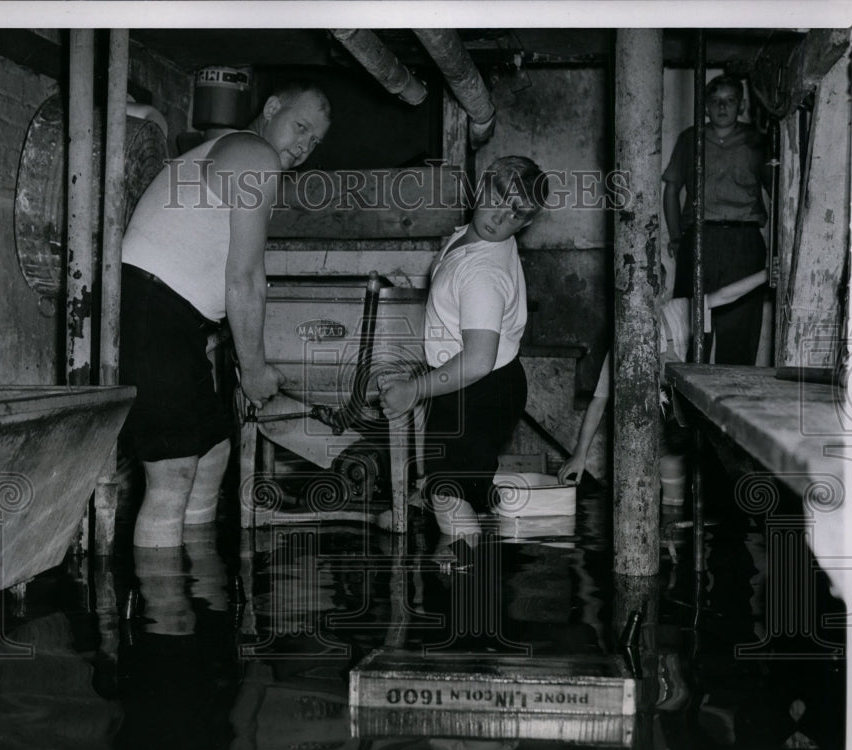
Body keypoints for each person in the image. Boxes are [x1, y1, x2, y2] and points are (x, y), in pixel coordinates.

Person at [119, 82, 332, 548]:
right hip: (151, 311)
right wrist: (252, 371)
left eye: (314, 141)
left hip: (171, 318)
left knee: (213, 450)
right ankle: (164, 613)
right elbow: (245, 279)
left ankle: (199, 592)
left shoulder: (232, 151)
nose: (304, 145)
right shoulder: (256, 155)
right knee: (172, 472)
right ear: (272, 106)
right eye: (301, 127)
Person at [380, 156, 548, 539]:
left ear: (527, 223)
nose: (498, 218)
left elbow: (476, 361)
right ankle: (475, 571)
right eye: (497, 198)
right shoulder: (469, 236)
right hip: (481, 383)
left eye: (515, 214)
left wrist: (412, 390)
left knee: (447, 493)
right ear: (482, 185)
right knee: (458, 486)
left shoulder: (482, 273)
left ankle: (467, 585)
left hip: (478, 386)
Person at [557, 268, 769, 487]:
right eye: (638, 289)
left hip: (679, 417)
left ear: (664, 290)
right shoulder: (623, 338)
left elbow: (724, 295)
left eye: (653, 288)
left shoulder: (678, 311)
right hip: (644, 423)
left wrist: (767, 275)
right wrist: (579, 455)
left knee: (692, 473)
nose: (646, 297)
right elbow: (599, 400)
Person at [663, 74, 770, 365]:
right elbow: (672, 189)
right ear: (706, 107)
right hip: (700, 240)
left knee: (739, 332)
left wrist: (778, 247)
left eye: (730, 100)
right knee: (691, 330)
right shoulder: (690, 138)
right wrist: (675, 236)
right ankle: (684, 408)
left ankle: (728, 406)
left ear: (742, 105)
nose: (723, 107)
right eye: (715, 101)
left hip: (744, 243)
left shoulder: (756, 140)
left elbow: (780, 189)